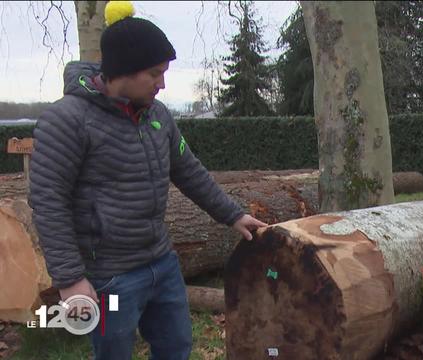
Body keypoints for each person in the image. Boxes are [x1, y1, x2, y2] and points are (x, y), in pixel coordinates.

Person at [28, 2, 267, 359]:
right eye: (155, 74)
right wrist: (70, 280)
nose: (163, 83)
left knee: (177, 347)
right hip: (108, 277)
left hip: (162, 264)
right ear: (124, 69)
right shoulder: (67, 121)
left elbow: (189, 170)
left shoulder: (157, 116)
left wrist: (232, 215)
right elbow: (48, 202)